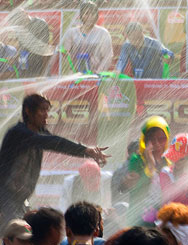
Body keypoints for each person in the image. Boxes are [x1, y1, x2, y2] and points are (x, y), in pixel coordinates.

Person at [0, 94, 109, 223]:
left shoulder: (39, 133)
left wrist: (87, 152)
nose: (46, 114)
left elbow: (61, 145)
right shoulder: (18, 133)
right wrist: (86, 150)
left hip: (20, 200)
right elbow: (54, 142)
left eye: (47, 110)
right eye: (42, 110)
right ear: (28, 111)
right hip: (5, 198)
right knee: (16, 234)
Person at [61, 1, 114, 74]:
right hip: (75, 74)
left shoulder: (103, 33)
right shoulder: (71, 33)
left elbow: (107, 56)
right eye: (86, 14)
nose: (90, 17)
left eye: (93, 14)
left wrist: (98, 72)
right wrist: (73, 71)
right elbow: (66, 54)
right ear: (81, 16)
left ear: (97, 16)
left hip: (96, 75)